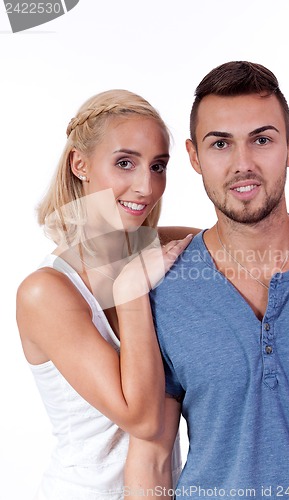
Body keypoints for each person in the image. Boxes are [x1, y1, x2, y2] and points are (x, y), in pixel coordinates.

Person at [124, 62, 289, 499]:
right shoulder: (164, 290)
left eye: (262, 139)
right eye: (221, 144)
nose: (243, 164)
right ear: (195, 156)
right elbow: (153, 456)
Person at [16, 89, 194, 500]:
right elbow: (144, 419)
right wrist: (131, 292)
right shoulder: (46, 292)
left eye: (158, 166)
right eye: (125, 163)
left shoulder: (158, 249)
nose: (146, 186)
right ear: (80, 164)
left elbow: (254, 239)